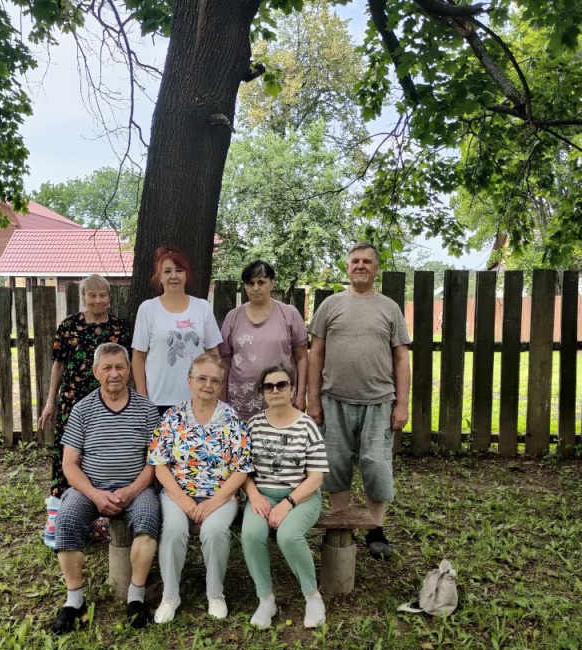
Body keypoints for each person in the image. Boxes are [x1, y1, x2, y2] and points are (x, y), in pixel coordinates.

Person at [307, 242, 411, 559]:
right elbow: (316, 354)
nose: (361, 266)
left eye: (367, 261)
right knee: (336, 465)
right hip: (334, 400)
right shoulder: (330, 305)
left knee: (376, 465)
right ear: (347, 267)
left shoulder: (390, 308)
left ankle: (376, 531)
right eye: (355, 261)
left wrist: (402, 404)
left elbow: (401, 358)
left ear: (376, 268)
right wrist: (313, 400)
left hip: (379, 402)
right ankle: (343, 525)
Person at [49, 343, 160, 634]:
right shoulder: (82, 409)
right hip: (90, 487)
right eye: (107, 368)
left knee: (149, 522)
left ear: (129, 371)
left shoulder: (147, 410)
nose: (114, 374)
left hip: (136, 488)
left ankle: (136, 597)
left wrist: (132, 491)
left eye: (120, 367)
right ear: (96, 372)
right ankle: (75, 600)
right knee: (67, 520)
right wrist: (96, 495)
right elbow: (70, 464)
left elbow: (154, 463)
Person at [147, 352, 253, 623]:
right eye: (202, 378)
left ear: (221, 385)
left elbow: (241, 468)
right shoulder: (172, 417)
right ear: (189, 380)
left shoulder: (232, 419)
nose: (208, 385)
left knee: (215, 531)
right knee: (172, 530)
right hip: (177, 493)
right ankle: (170, 595)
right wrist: (184, 502)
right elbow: (160, 465)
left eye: (215, 381)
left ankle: (215, 593)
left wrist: (213, 502)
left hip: (221, 494)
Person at [242, 363, 329, 628]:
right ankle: (266, 599)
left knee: (288, 535)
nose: (275, 390)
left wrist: (288, 503)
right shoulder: (253, 425)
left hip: (301, 496)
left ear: (292, 389)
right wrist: (254, 495)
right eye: (269, 386)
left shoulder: (307, 426)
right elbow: (243, 469)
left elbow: (316, 476)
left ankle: (312, 597)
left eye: (282, 384)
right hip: (262, 495)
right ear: (262, 392)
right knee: (251, 534)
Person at [38, 274, 132, 499]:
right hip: (73, 400)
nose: (98, 300)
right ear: (83, 298)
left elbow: (128, 366)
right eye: (92, 295)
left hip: (109, 401)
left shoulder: (120, 328)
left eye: (103, 295)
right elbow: (58, 365)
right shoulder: (69, 326)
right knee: (69, 450)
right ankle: (63, 501)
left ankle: (101, 497)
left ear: (110, 297)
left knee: (102, 447)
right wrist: (51, 402)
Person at [132, 245, 222, 417]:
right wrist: (143, 397)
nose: (174, 276)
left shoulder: (202, 307)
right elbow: (138, 356)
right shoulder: (148, 309)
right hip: (158, 400)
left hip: (197, 398)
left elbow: (213, 352)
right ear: (159, 277)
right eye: (167, 271)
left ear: (186, 274)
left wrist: (214, 388)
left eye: (179, 270)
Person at [219, 260, 308, 421]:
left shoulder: (289, 314)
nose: (255, 288)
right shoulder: (233, 317)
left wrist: (301, 395)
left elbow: (302, 357)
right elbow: (224, 361)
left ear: (272, 283)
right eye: (250, 283)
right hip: (240, 406)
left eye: (261, 282)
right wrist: (221, 402)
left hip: (280, 400)